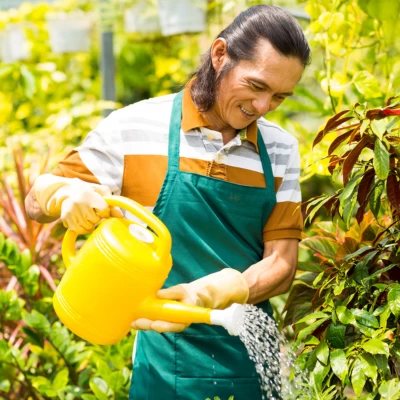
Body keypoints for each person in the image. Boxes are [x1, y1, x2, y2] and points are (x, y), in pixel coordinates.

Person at [26, 4, 310, 399]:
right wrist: (64, 194)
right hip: (162, 363)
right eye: (257, 86)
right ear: (219, 54)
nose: (262, 107)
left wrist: (215, 292)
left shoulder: (279, 148)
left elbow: (282, 264)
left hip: (248, 360)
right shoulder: (136, 126)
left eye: (279, 97)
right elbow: (35, 204)